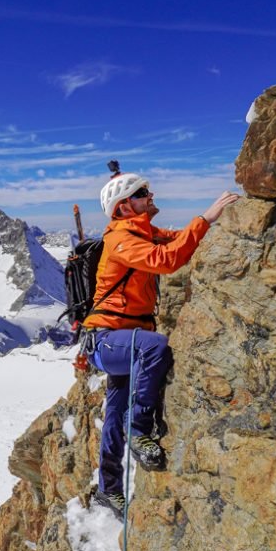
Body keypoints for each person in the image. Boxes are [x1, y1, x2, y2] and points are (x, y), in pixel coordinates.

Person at [85, 163, 239, 517]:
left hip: (117, 341)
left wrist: (204, 227)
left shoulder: (143, 232)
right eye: (141, 193)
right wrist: (206, 217)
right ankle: (140, 431)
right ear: (124, 207)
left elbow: (176, 240)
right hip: (109, 340)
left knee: (115, 411)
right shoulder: (122, 240)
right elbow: (166, 260)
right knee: (154, 345)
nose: (150, 195)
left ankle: (109, 489)